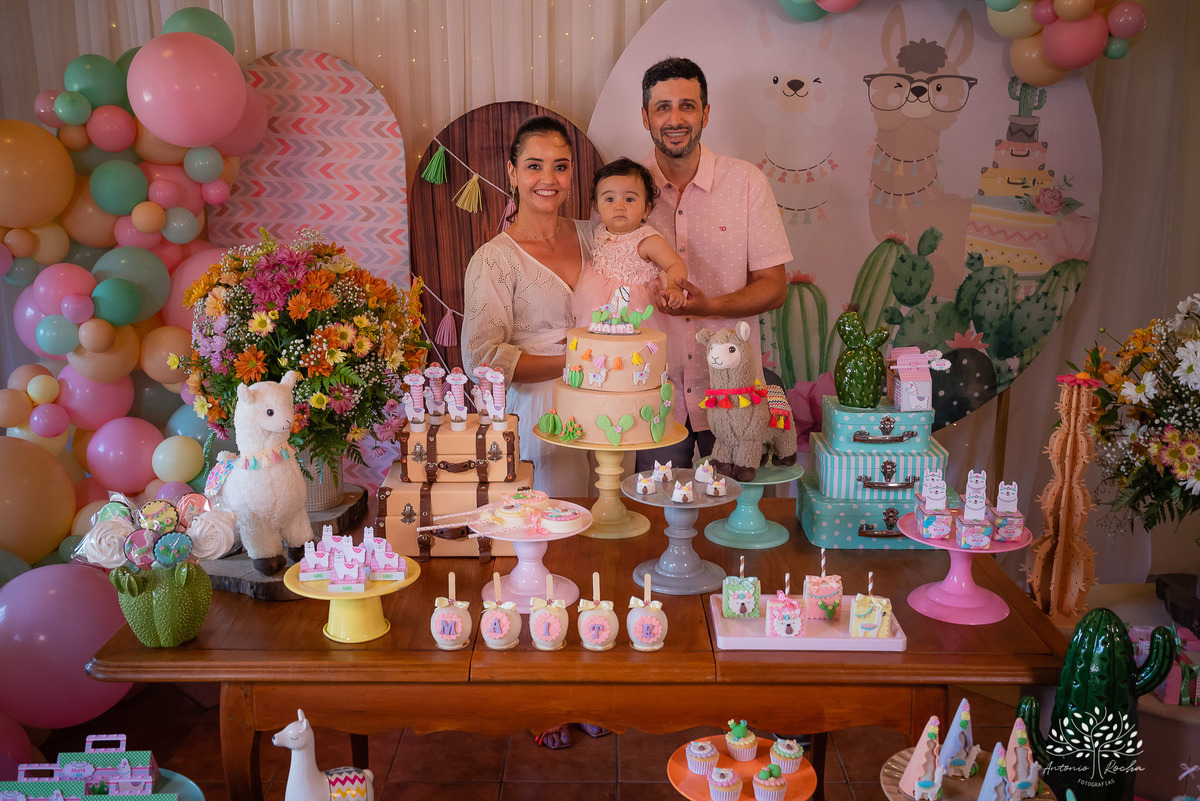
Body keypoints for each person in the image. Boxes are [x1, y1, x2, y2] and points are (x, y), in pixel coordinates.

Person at [634, 56, 793, 474]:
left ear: (705, 112)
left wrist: (710, 308)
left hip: (735, 397)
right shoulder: (623, 191)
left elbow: (775, 287)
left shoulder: (745, 183)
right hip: (654, 399)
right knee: (657, 517)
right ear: (645, 117)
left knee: (734, 525)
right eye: (662, 107)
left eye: (687, 105)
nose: (675, 118)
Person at [461, 115, 593, 498]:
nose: (548, 179)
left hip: (605, 399)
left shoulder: (593, 235)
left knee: (610, 515)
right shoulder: (495, 259)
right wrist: (575, 361)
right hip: (539, 409)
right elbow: (481, 359)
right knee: (556, 521)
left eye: (561, 167)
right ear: (512, 173)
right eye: (534, 166)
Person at [571, 157, 687, 326]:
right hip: (597, 302)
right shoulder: (599, 231)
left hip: (635, 306)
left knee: (632, 348)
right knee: (598, 343)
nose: (619, 206)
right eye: (609, 199)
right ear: (596, 206)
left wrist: (674, 288)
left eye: (630, 199)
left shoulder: (647, 240)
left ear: (646, 209)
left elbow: (674, 264)